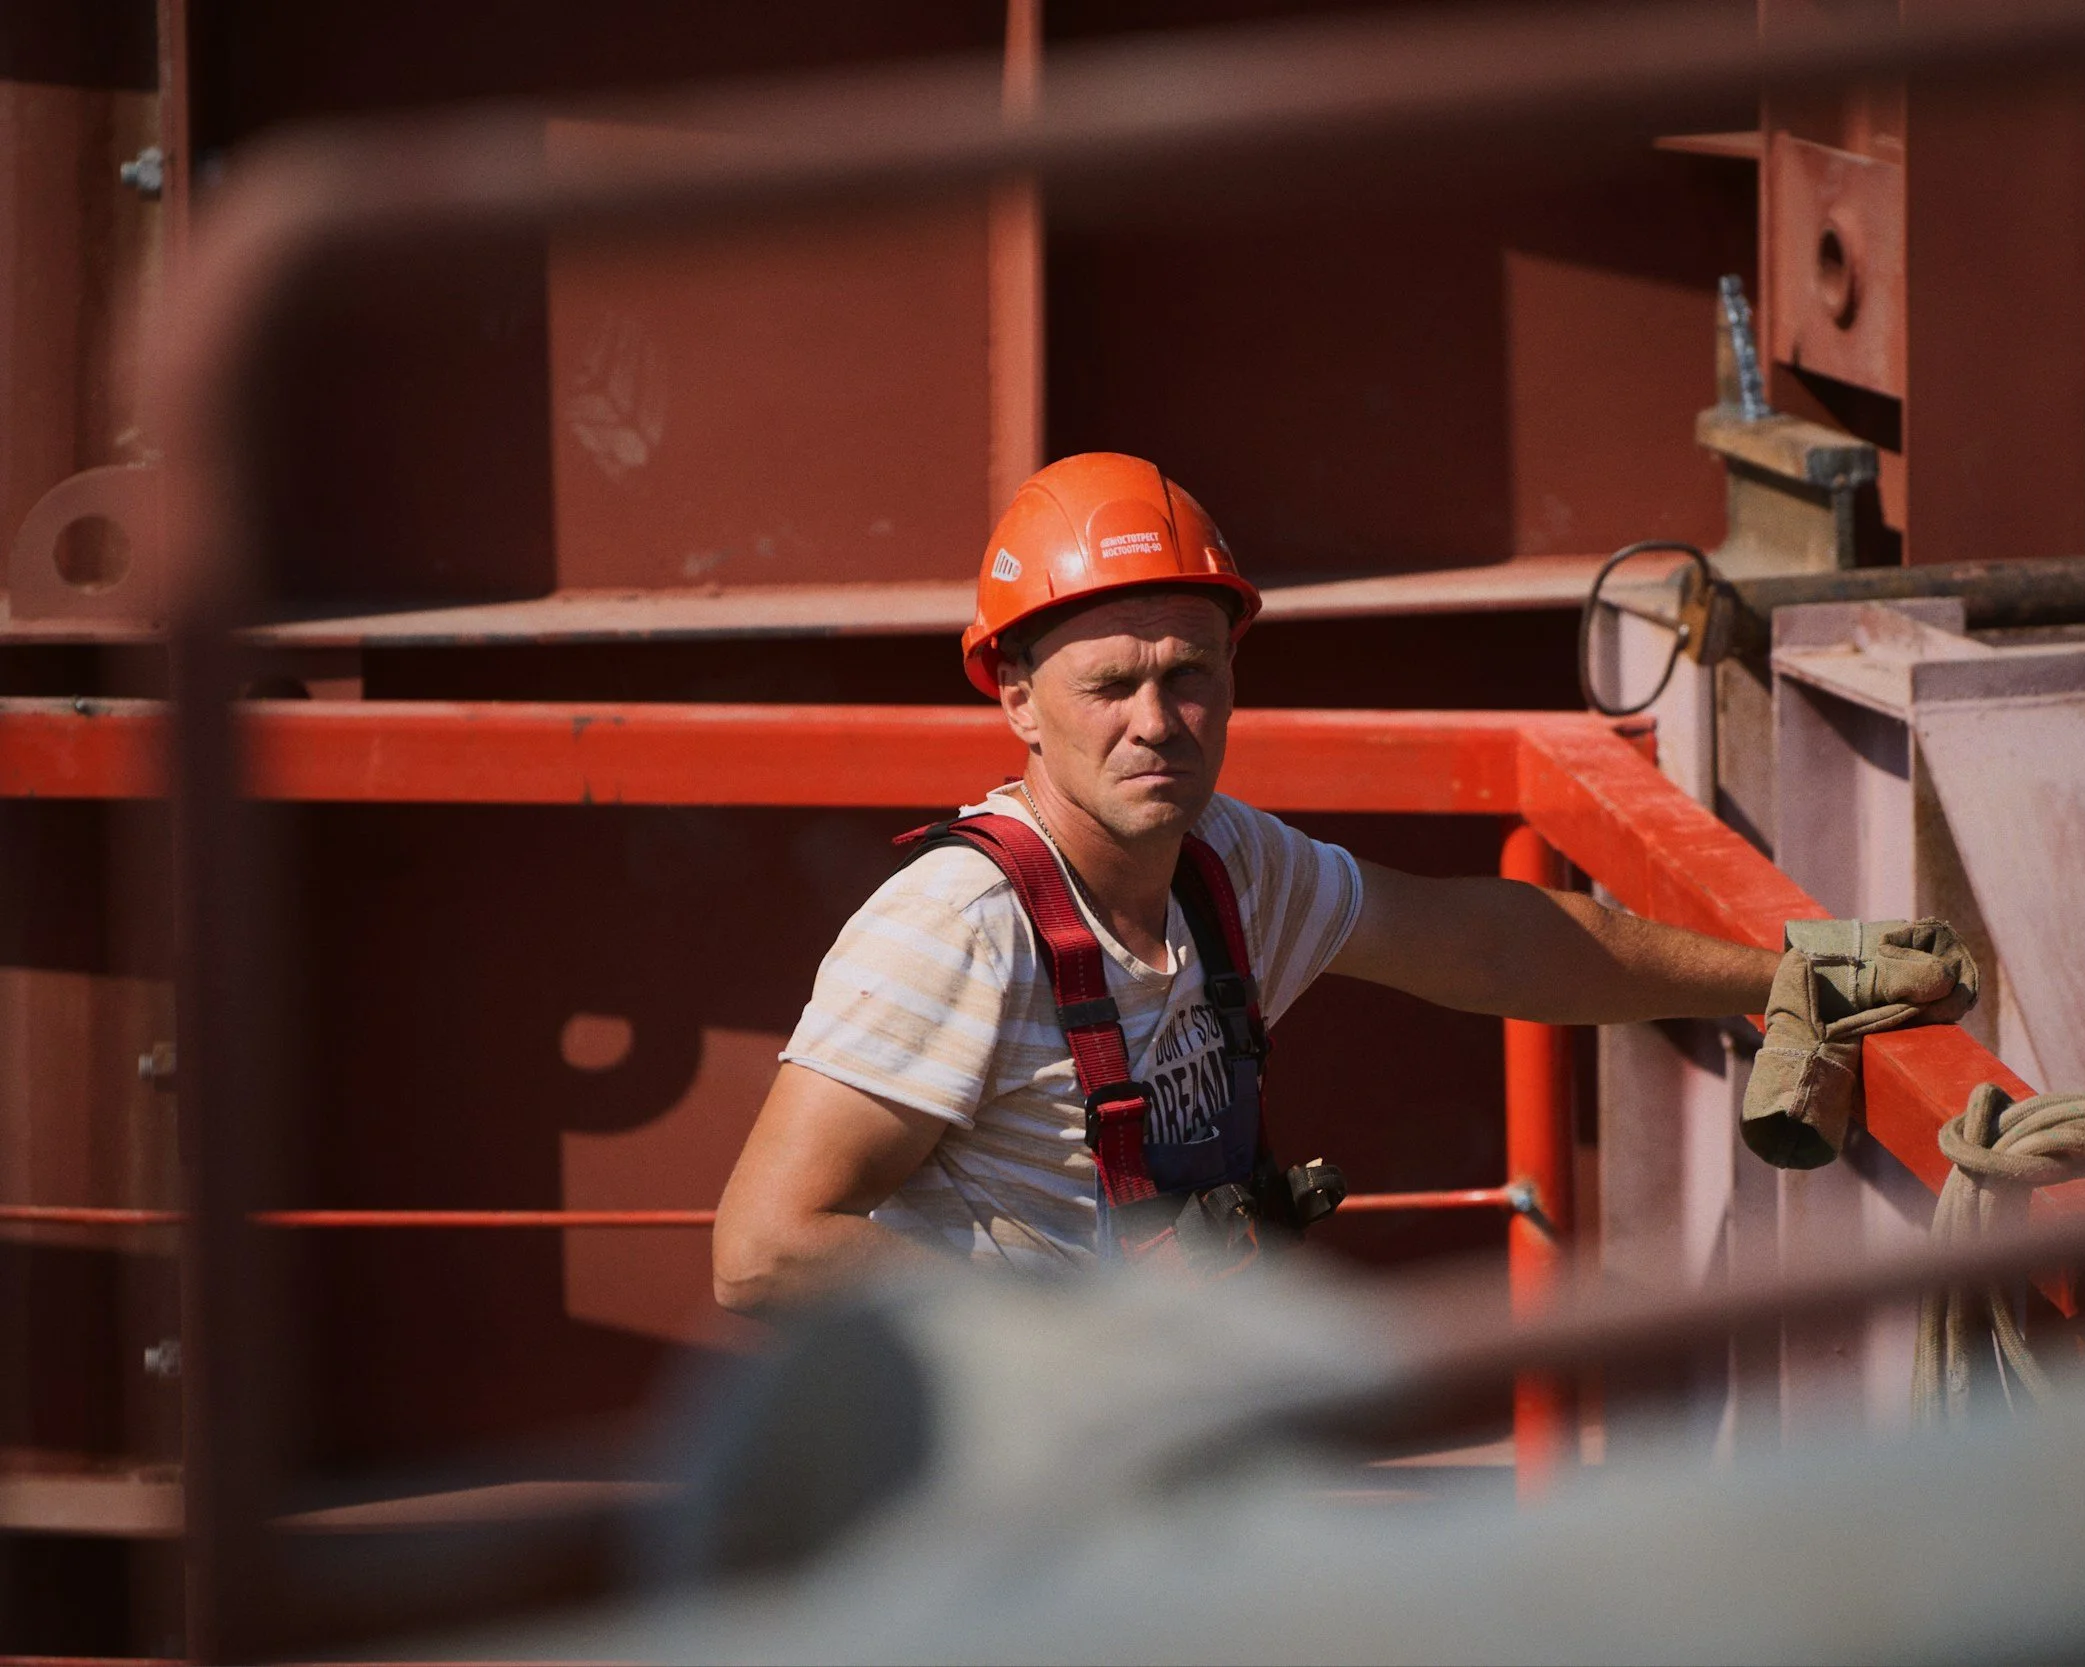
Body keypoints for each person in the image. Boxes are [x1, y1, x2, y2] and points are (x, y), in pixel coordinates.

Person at [713, 454, 1811, 1307]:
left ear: (1234, 673)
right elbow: (763, 1251)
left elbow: (1490, 943)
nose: (1155, 723)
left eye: (1187, 673)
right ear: (1013, 696)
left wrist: (1782, 976)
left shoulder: (1228, 866)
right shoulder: (958, 927)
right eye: (1108, 684)